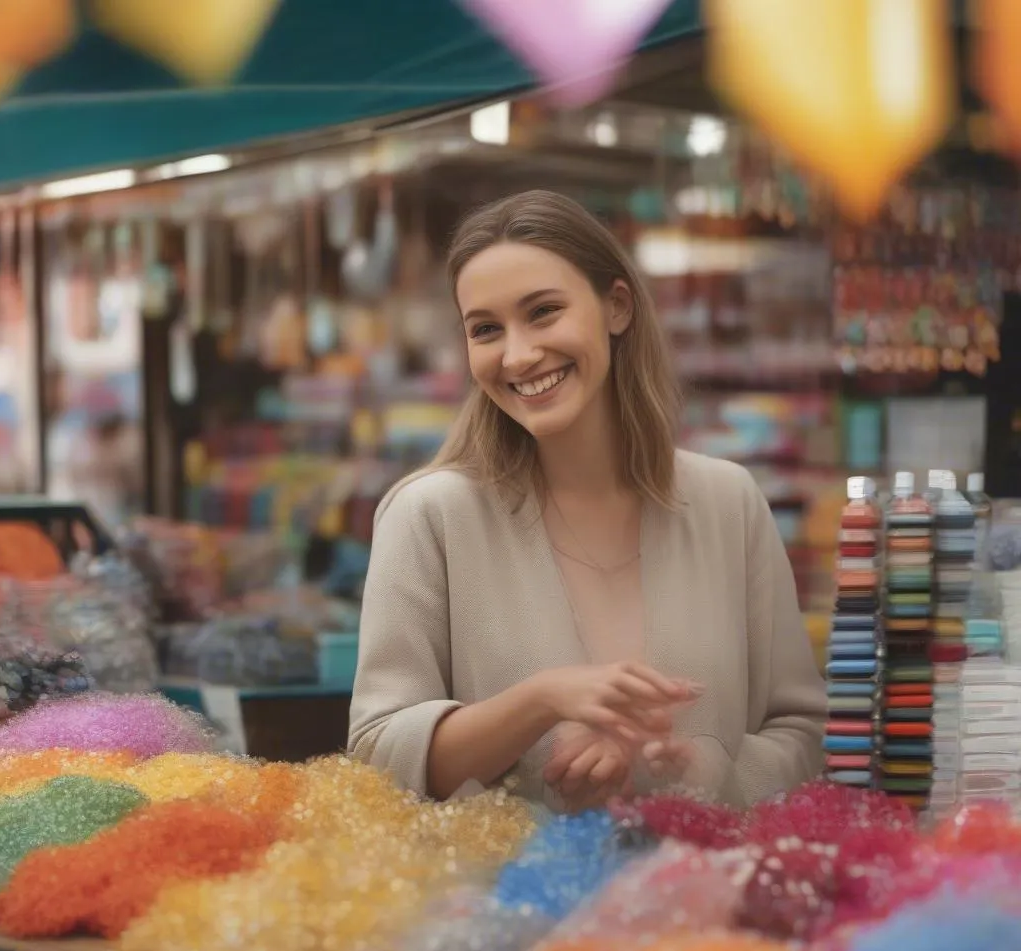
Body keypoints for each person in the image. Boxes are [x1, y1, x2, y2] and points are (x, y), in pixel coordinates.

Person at [349, 190, 825, 811]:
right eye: (486, 329)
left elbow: (806, 737)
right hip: (498, 903)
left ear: (617, 307)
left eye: (543, 312)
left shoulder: (726, 503)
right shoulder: (431, 515)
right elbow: (375, 754)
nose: (517, 355)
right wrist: (539, 701)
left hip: (704, 898)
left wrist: (709, 771)